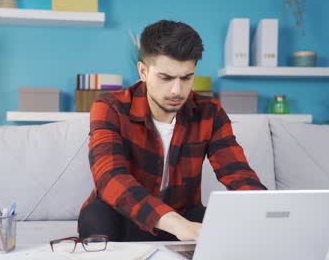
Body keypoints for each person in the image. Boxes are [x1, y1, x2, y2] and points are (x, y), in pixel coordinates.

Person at [78, 19, 266, 242]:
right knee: (96, 216)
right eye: (165, 78)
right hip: (125, 216)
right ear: (143, 71)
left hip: (183, 215)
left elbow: (238, 173)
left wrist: (268, 214)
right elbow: (109, 178)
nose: (177, 90)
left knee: (229, 224)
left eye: (186, 78)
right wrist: (175, 223)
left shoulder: (209, 112)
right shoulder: (110, 107)